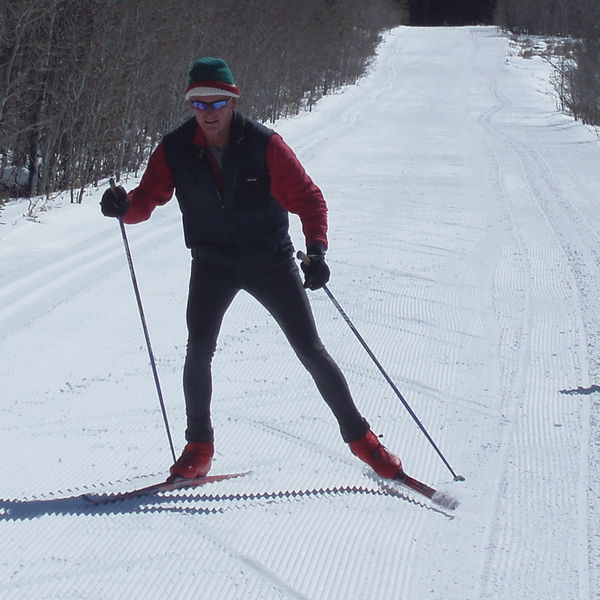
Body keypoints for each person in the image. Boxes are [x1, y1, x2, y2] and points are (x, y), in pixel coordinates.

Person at [100, 57, 403, 482]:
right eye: (199, 103)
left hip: (270, 261)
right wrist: (123, 207)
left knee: (310, 350)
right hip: (213, 262)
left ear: (233, 101)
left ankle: (364, 442)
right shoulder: (175, 148)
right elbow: (147, 199)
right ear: (190, 105)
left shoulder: (264, 145)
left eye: (217, 102)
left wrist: (316, 250)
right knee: (198, 349)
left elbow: (309, 199)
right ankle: (198, 447)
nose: (208, 112)